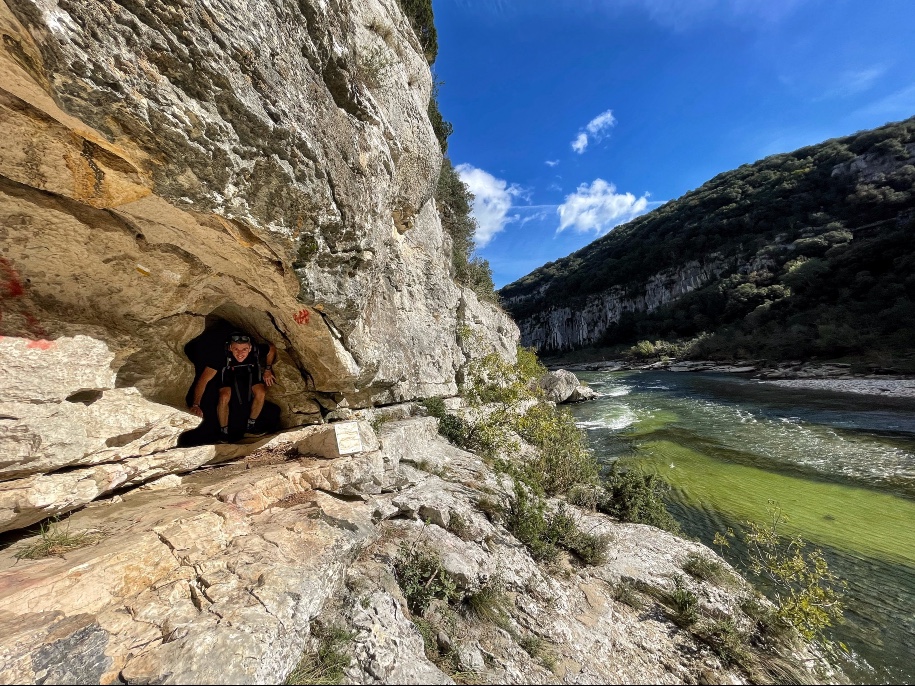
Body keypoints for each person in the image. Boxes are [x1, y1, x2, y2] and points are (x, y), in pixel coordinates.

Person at [188, 331, 277, 441]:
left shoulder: (256, 350)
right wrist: (196, 404)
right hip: (228, 374)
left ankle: (251, 426)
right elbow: (203, 380)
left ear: (250, 348)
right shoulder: (220, 356)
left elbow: (271, 348)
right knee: (224, 396)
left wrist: (268, 369)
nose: (240, 353)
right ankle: (224, 431)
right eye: (236, 349)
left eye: (244, 349)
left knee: (261, 392)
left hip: (248, 372)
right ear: (230, 348)